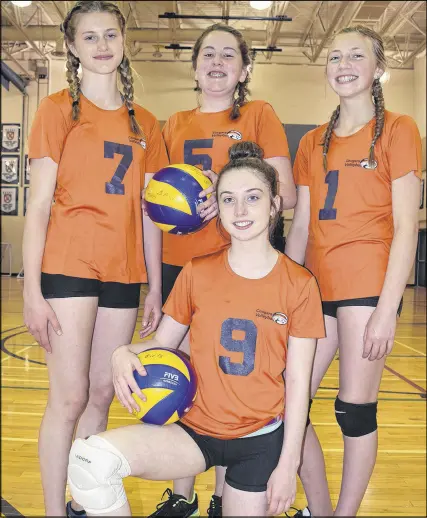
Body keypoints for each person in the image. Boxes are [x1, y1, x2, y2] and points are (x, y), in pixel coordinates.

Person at [66, 141, 325, 518]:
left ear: (273, 206)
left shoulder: (300, 284)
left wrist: (288, 466)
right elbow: (162, 344)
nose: (240, 210)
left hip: (258, 441)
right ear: (216, 209)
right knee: (90, 461)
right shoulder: (197, 272)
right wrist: (122, 352)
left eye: (253, 198)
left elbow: (299, 384)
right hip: (194, 433)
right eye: (228, 199)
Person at [22, 2, 168, 516]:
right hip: (68, 268)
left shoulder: (146, 121)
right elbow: (39, 205)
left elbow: (152, 211)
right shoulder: (57, 109)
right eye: (90, 37)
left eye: (110, 34)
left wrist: (154, 284)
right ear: (73, 46)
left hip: (124, 272)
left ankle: (84, 498)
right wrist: (31, 291)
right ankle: (53, 510)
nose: (102, 45)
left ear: (124, 40)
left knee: (103, 392)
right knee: (68, 398)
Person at [154, 25, 296, 515]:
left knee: (224, 382)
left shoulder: (259, 115)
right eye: (207, 54)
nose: (217, 62)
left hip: (239, 272)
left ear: (244, 69)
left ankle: (221, 497)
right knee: (180, 379)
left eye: (228, 55)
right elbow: (154, 205)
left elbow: (289, 194)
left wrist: (224, 188)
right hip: (182, 270)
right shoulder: (172, 124)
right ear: (194, 66)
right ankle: (180, 495)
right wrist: (155, 286)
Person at [285, 25, 422, 517]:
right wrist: (284, 294)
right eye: (336, 56)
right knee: (286, 404)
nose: (343, 64)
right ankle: (319, 510)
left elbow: (407, 227)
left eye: (356, 56)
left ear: (377, 68)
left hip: (367, 287)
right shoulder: (312, 143)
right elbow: (299, 226)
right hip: (314, 289)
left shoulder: (399, 130)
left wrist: (387, 311)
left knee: (354, 410)